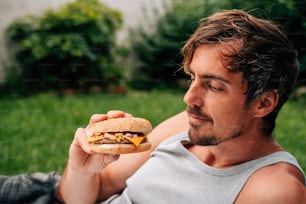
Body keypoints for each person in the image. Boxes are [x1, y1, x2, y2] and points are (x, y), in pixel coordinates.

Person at [57, 9, 306, 203]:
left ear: (263, 103)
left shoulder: (273, 189)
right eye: (192, 78)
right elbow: (92, 191)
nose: (189, 98)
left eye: (214, 86)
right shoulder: (185, 126)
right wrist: (83, 169)